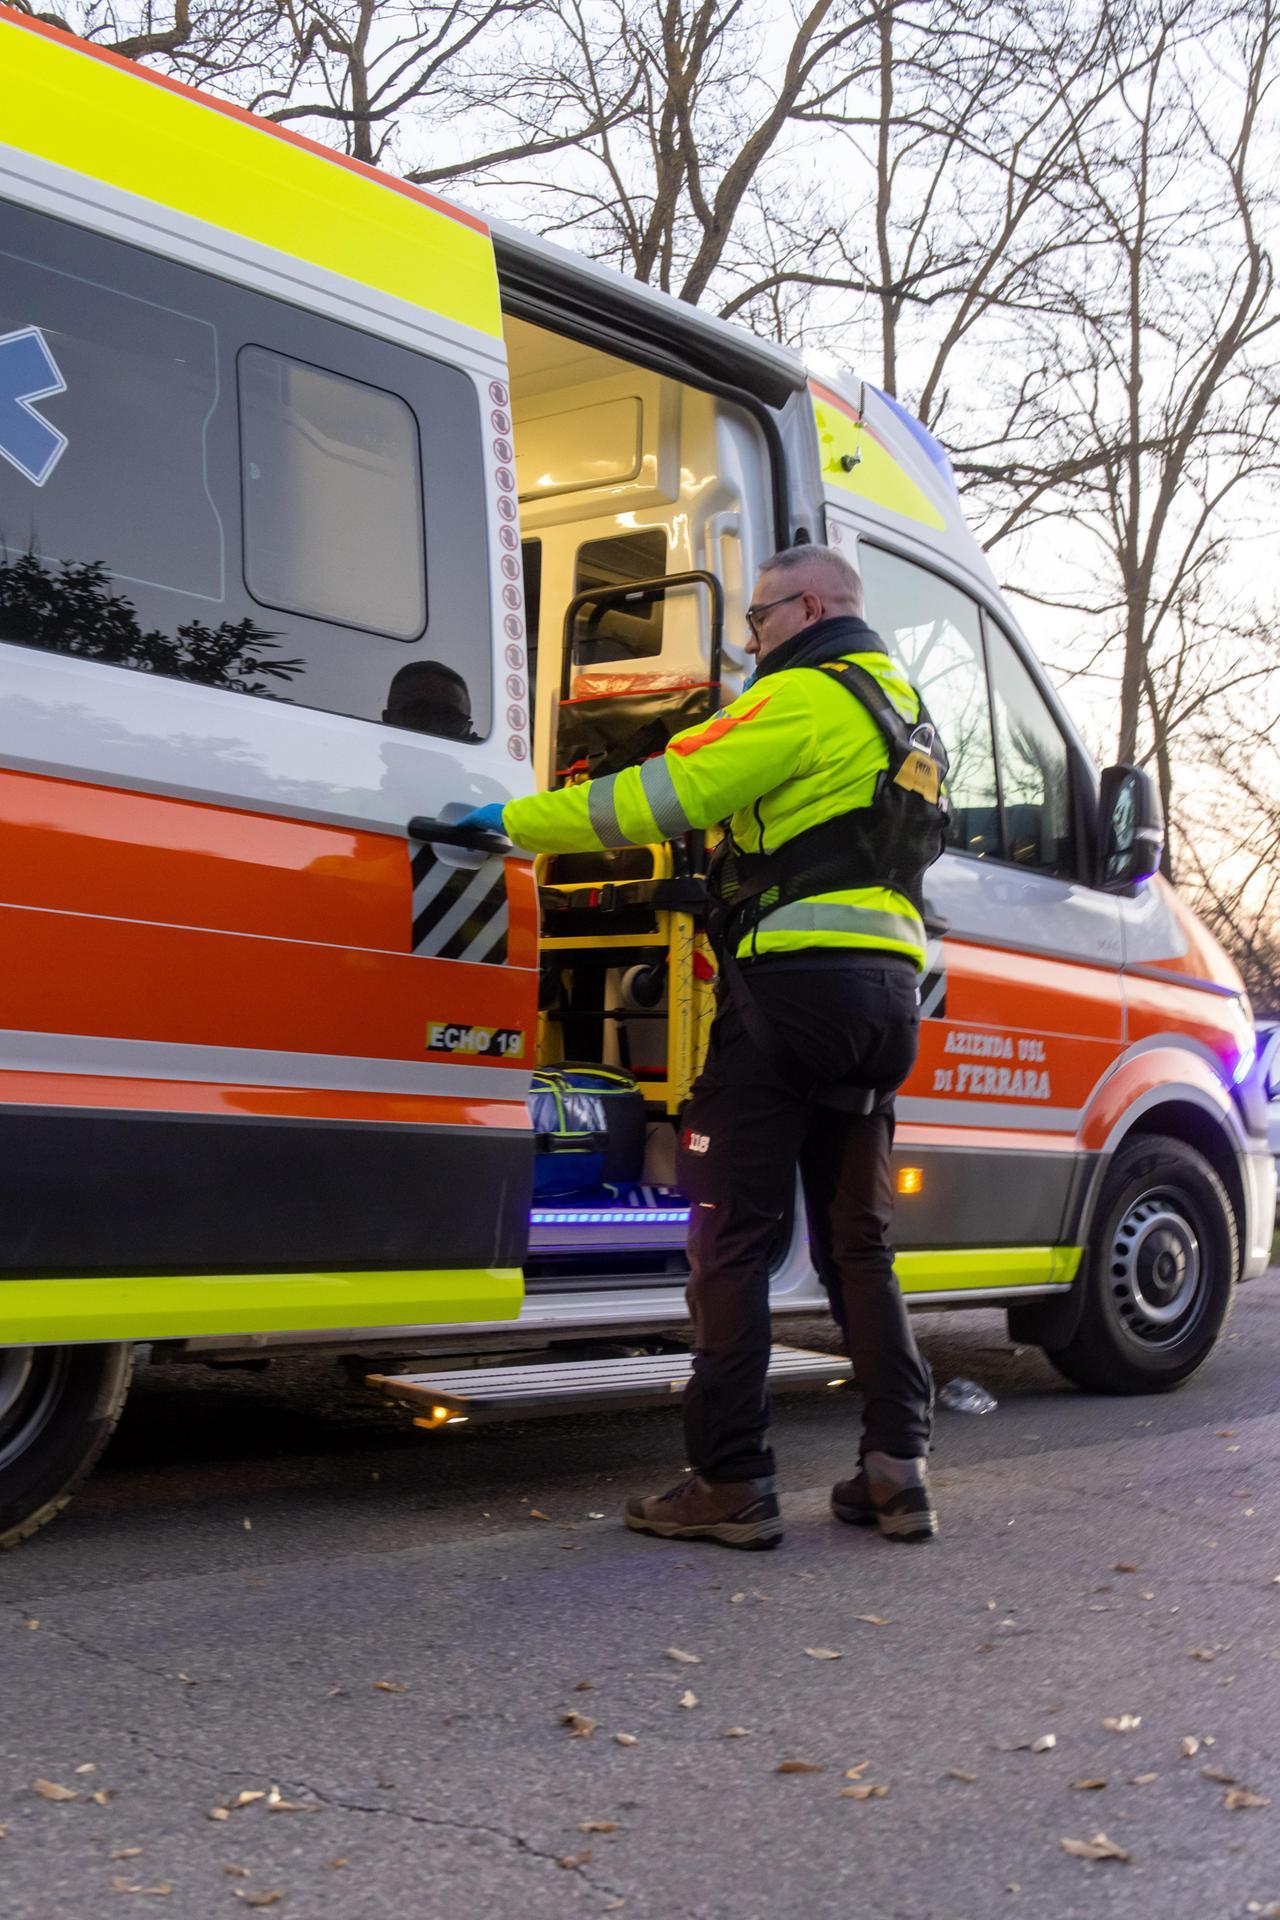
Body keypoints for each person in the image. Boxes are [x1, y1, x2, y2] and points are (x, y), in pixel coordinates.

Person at [458, 545, 941, 1549]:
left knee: (727, 1239)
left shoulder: (804, 695)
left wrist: (509, 822)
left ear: (807, 606)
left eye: (758, 620)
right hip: (885, 998)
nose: (751, 640)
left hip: (789, 995)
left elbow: (656, 799)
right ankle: (896, 1471)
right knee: (859, 1240)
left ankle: (729, 1481)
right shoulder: (905, 713)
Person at [384, 660, 479, 742]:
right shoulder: (370, 754)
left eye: (449, 719)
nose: (434, 730)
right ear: (389, 719)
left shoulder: (485, 759)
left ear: (467, 728)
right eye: (418, 715)